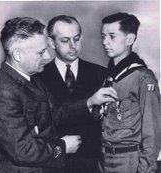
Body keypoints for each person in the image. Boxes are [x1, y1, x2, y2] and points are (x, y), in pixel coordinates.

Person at [0, 17, 117, 173]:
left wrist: (90, 102)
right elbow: (23, 150)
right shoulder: (2, 93)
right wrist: (63, 146)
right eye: (41, 52)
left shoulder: (32, 80)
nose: (47, 56)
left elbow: (57, 112)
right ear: (18, 55)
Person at [33, 15, 106, 173]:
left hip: (92, 165)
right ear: (51, 43)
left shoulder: (100, 74)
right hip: (52, 166)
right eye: (65, 40)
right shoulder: (37, 78)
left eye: (77, 38)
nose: (73, 46)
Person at [99, 12, 161, 173]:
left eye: (112, 36)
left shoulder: (143, 78)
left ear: (130, 39)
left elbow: (152, 132)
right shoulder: (107, 76)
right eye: (103, 36)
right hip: (104, 159)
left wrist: (146, 169)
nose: (105, 42)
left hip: (130, 162)